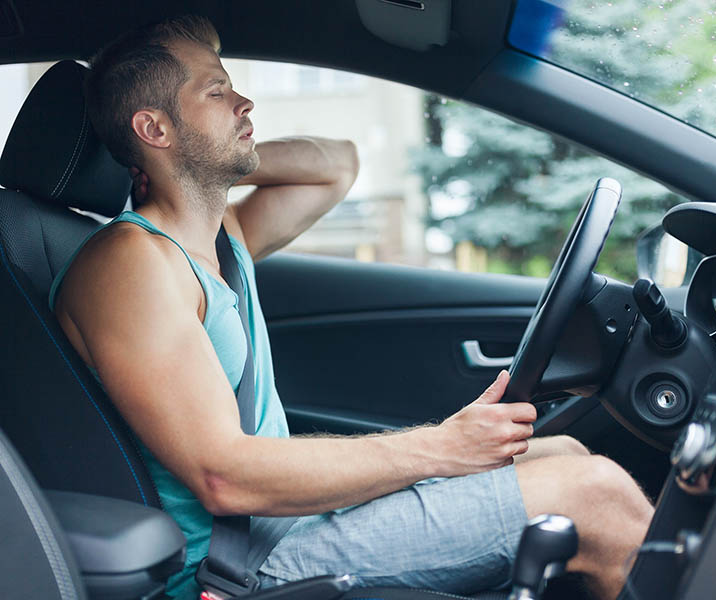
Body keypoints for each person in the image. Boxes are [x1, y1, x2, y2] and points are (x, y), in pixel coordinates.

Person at [50, 15, 654, 600]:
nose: (246, 103)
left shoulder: (221, 238)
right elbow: (222, 476)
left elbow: (333, 166)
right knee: (593, 493)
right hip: (234, 566)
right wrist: (443, 446)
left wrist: (208, 162)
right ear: (155, 129)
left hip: (284, 524)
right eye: (216, 91)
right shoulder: (128, 265)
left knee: (566, 453)